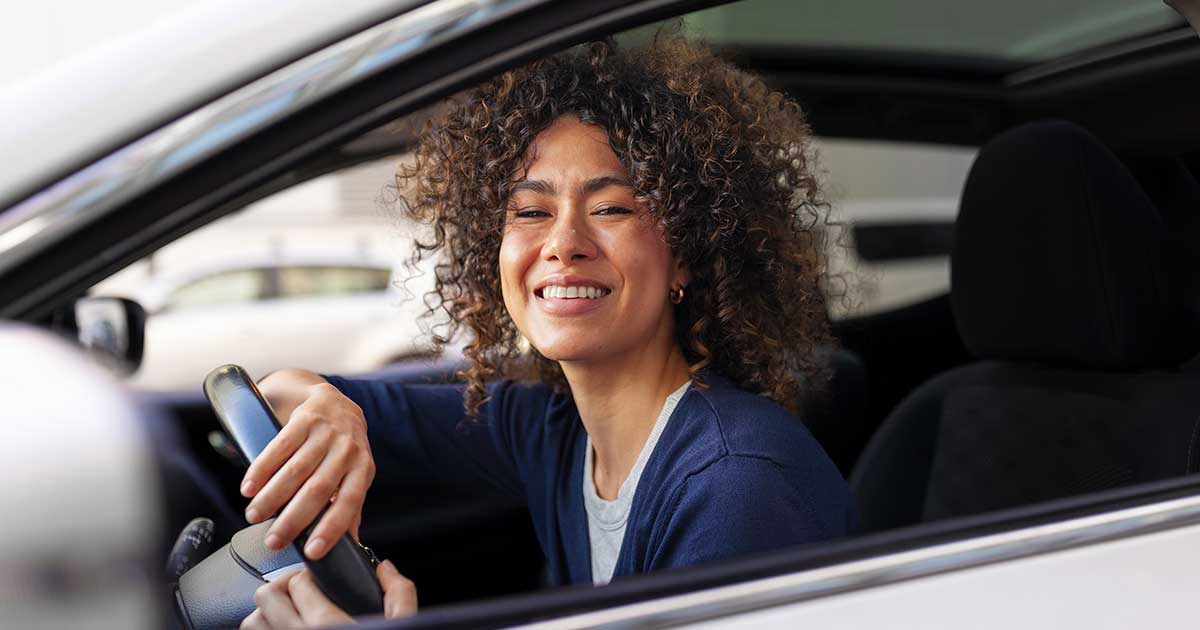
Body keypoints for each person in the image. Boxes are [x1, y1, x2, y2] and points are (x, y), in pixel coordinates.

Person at [238, 33, 855, 629]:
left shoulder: (736, 485)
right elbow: (277, 395)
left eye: (612, 208)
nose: (563, 245)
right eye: (531, 212)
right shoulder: (553, 430)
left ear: (687, 254)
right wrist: (329, 407)